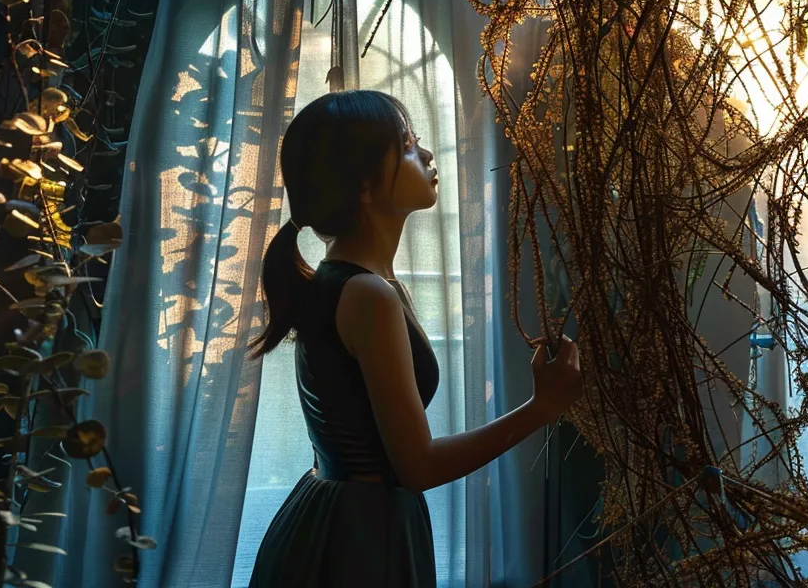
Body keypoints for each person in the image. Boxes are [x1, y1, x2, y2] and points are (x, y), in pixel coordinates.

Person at [245, 90, 583, 587]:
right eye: (406, 146)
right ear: (363, 185)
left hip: (340, 523)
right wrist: (542, 408)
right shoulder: (367, 295)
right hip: (360, 542)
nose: (425, 155)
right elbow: (418, 467)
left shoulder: (355, 282)